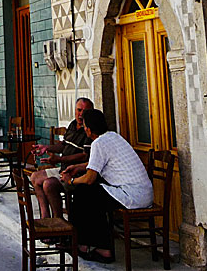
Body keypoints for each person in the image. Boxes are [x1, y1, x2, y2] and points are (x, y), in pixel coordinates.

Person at [61, 108, 153, 263]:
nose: (84, 130)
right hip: (143, 193)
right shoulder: (113, 137)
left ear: (89, 129)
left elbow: (90, 178)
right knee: (89, 194)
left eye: (85, 127)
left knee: (84, 192)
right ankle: (87, 244)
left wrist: (71, 181)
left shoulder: (98, 143)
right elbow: (99, 162)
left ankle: (92, 246)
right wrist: (79, 167)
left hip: (132, 195)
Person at [29, 97, 93, 217]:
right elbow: (63, 145)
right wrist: (47, 148)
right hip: (63, 168)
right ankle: (46, 216)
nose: (81, 114)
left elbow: (85, 156)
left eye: (85, 111)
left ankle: (59, 221)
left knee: (48, 184)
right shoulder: (73, 125)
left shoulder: (89, 130)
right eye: (79, 110)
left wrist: (59, 159)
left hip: (75, 172)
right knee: (34, 177)